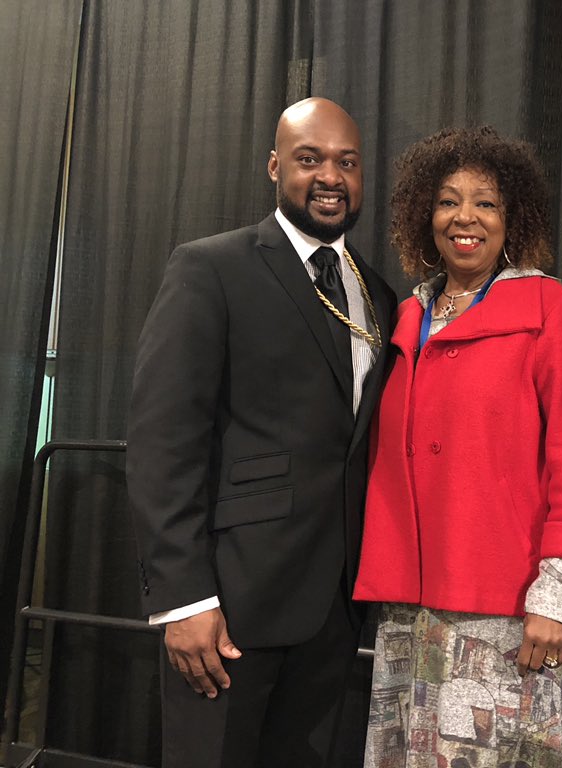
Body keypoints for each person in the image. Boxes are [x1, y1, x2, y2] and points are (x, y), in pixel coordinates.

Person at [127, 97, 396, 768]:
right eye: (309, 160)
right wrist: (184, 599)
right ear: (276, 167)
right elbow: (164, 438)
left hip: (335, 607)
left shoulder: (381, 295)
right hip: (230, 606)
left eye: (347, 162)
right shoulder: (211, 267)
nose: (329, 176)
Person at [353, 126, 562, 768]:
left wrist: (557, 597)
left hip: (508, 606)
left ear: (511, 217)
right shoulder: (406, 315)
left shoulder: (548, 307)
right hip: (409, 603)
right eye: (447, 201)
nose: (465, 218)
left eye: (486, 203)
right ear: (422, 216)